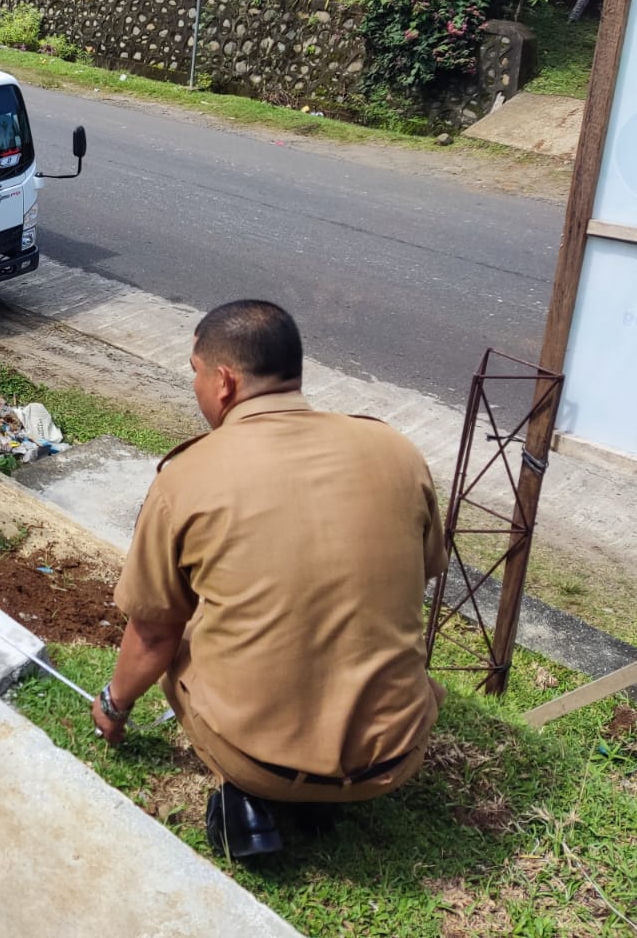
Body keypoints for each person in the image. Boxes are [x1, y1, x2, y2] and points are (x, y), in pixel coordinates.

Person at [92, 300, 447, 859]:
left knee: (180, 634)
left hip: (259, 763)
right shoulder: (397, 452)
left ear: (225, 382)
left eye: (195, 373)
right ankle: (320, 793)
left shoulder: (187, 477)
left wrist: (113, 706)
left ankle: (249, 802)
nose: (197, 387)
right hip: (395, 755)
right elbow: (421, 574)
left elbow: (154, 637)